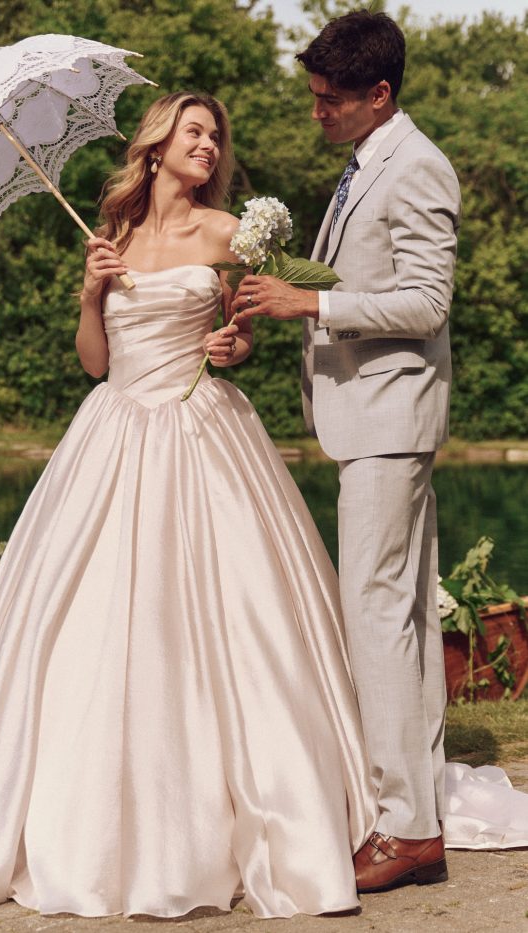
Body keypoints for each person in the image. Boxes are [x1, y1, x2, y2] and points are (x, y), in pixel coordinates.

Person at [0, 91, 378, 919]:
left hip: (206, 432)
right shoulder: (111, 240)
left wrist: (230, 343)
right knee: (90, 621)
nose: (207, 145)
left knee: (237, 617)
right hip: (113, 432)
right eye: (194, 132)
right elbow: (94, 363)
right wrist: (93, 295)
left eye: (215, 135)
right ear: (159, 144)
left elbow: (243, 337)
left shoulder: (230, 232)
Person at [232, 11, 460, 893]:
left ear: (380, 95)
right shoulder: (366, 163)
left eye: (330, 101)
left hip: (389, 423)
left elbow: (427, 303)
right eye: (315, 97)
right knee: (398, 617)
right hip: (372, 422)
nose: (317, 112)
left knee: (374, 616)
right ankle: (418, 809)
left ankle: (406, 831)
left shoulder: (420, 167)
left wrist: (313, 307)